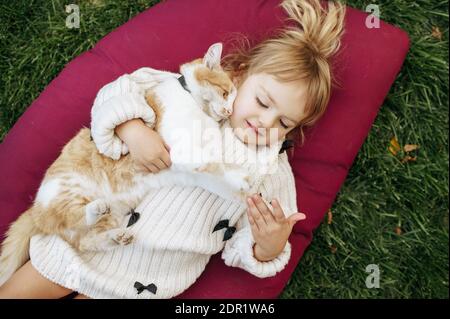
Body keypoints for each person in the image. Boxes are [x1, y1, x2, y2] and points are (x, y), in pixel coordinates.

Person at [0, 0, 345, 299]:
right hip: (84, 230)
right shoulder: (185, 91)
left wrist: (267, 245)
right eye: (262, 101)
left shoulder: (269, 169)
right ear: (238, 75)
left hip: (146, 280)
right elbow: (117, 92)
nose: (266, 123)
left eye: (284, 122)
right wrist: (131, 129)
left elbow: (244, 248)